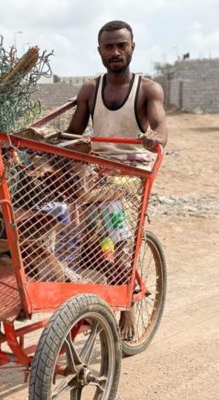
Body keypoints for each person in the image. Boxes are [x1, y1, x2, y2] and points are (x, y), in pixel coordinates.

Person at [65, 20, 168, 340]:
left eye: (121, 45)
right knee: (62, 212)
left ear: (132, 47)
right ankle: (74, 282)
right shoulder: (90, 90)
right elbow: (72, 133)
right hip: (97, 169)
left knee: (118, 233)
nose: (116, 52)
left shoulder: (148, 89)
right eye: (108, 47)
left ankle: (125, 306)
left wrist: (154, 137)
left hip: (130, 171)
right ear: (99, 51)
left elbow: (162, 127)